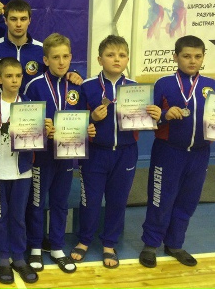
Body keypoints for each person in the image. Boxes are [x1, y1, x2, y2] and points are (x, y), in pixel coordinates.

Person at [70, 35, 161, 268]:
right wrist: (91, 118)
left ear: (127, 59)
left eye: (122, 55)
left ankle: (109, 243)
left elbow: (147, 120)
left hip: (125, 152)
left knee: (117, 200)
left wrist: (154, 116)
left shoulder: (135, 89)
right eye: (110, 55)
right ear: (100, 59)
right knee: (90, 200)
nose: (116, 59)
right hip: (95, 153)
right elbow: (76, 121)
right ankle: (84, 240)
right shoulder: (87, 86)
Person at [139, 35, 215, 268]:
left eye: (198, 56)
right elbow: (145, 117)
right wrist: (164, 115)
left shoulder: (210, 86)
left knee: (188, 201)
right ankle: (151, 244)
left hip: (200, 153)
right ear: (175, 57)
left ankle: (175, 244)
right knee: (161, 199)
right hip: (169, 152)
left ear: (203, 57)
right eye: (187, 56)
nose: (192, 61)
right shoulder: (164, 84)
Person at [23, 33, 95, 274]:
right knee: (36, 202)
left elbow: (83, 117)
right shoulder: (34, 86)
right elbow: (24, 123)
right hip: (41, 156)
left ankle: (56, 246)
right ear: (46, 60)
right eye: (55, 57)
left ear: (71, 57)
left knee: (60, 202)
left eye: (65, 57)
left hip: (67, 155)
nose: (61, 62)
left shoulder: (77, 85)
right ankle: (35, 246)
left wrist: (88, 129)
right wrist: (42, 129)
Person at [0, 57, 40, 285]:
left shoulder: (30, 105)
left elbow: (37, 139)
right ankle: (4, 258)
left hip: (22, 171)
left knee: (18, 217)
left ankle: (19, 257)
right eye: (9, 76)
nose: (14, 80)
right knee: (0, 216)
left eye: (18, 76)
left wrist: (42, 131)